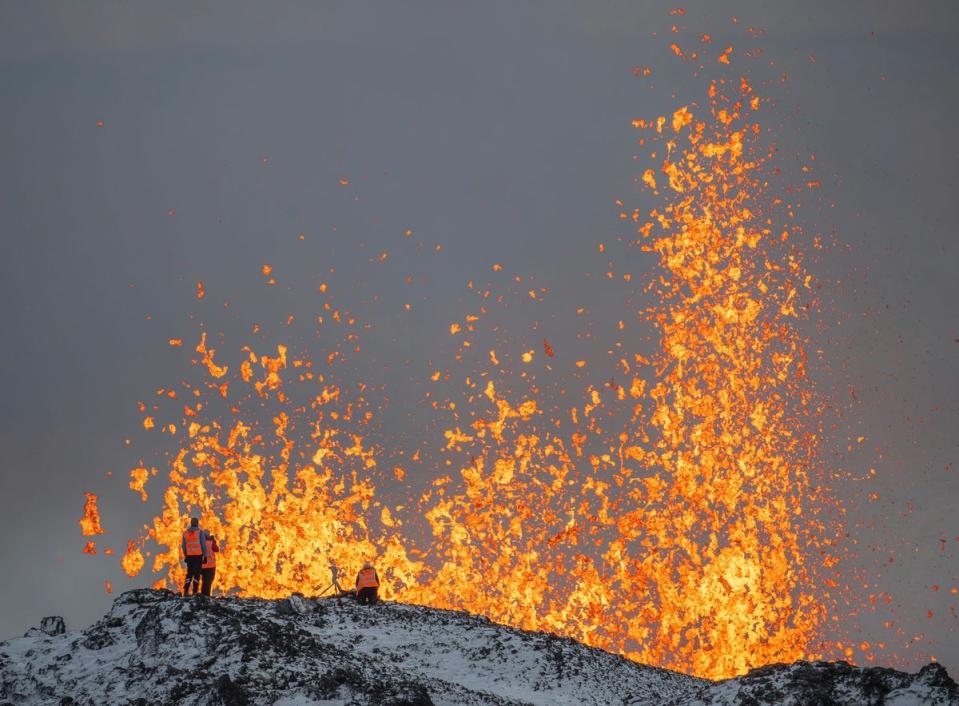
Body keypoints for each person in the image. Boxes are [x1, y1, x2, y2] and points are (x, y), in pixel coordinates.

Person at [181, 517, 208, 596]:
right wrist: (205, 556)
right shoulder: (200, 532)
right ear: (197, 523)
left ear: (191, 523)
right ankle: (195, 591)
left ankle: (186, 590)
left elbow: (183, 546)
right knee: (196, 574)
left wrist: (186, 555)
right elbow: (203, 545)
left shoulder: (185, 533)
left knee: (189, 573)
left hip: (189, 556)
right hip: (198, 556)